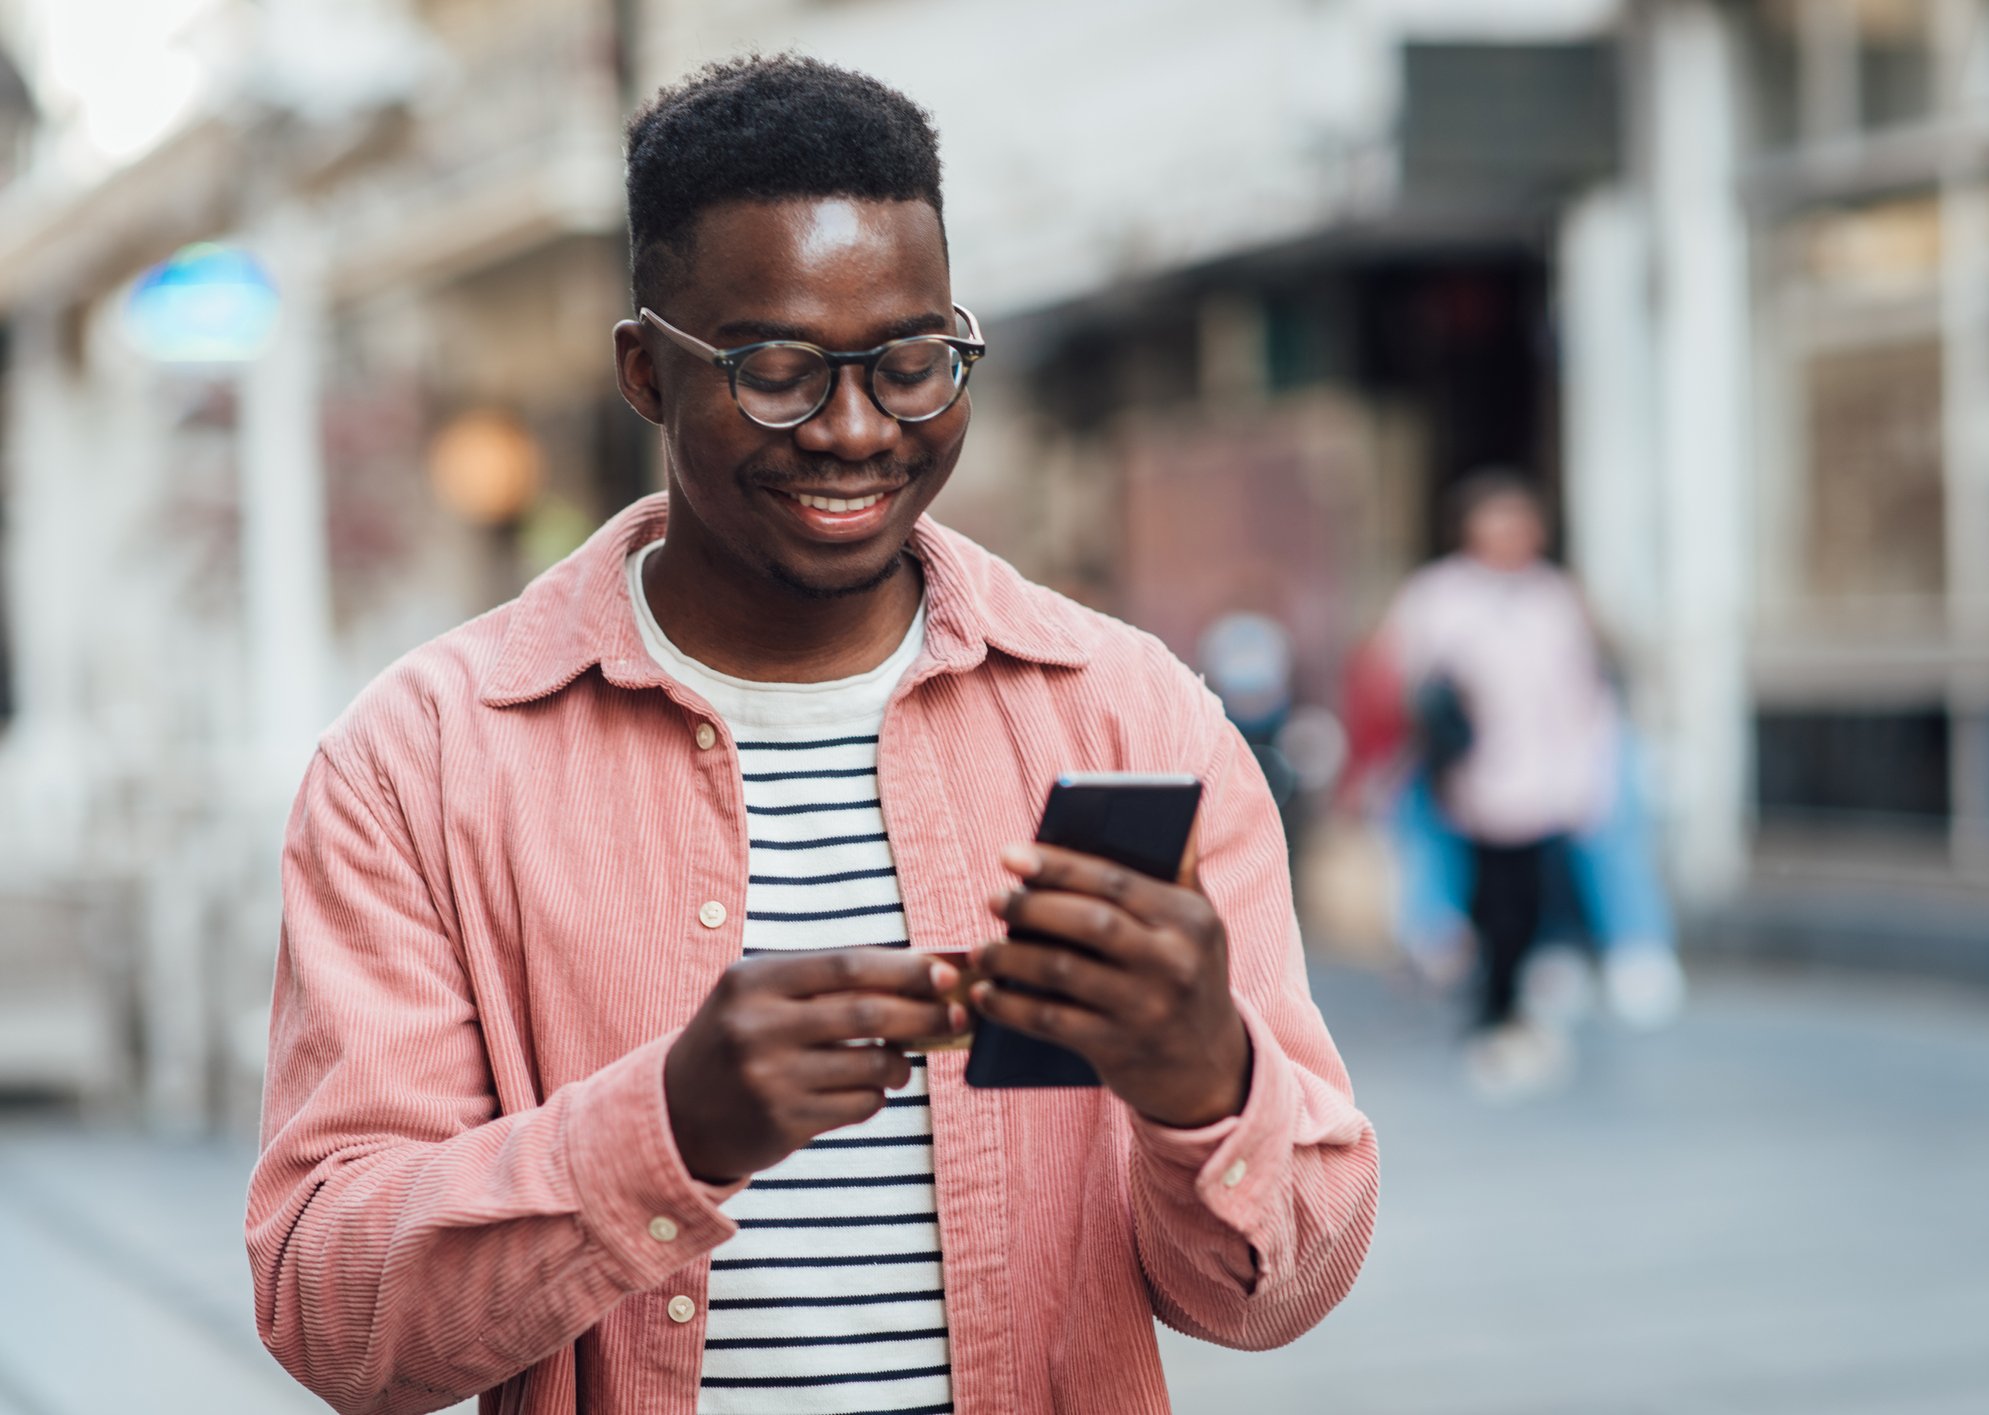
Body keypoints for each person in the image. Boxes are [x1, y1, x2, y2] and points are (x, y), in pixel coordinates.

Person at [245, 55, 1376, 1415]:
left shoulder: (1132, 714)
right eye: (776, 371)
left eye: (910, 364)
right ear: (644, 373)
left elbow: (1276, 1294)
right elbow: (331, 1311)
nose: (854, 430)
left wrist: (1208, 1080)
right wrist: (665, 1129)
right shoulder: (418, 762)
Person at [1372, 471, 1680, 1096]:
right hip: (1474, 779)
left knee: (1540, 890)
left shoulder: (1554, 599)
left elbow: (1582, 691)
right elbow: (1403, 682)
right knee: (1492, 895)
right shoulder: (1438, 597)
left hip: (1551, 778)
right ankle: (1492, 1009)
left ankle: (1528, 994)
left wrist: (1587, 770)